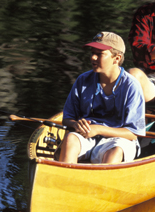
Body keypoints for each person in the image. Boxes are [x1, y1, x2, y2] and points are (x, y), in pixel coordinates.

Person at [59, 32, 146, 164]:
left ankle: (102, 182)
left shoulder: (131, 86)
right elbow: (67, 119)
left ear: (116, 58)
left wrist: (98, 129)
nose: (93, 58)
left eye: (99, 54)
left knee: (115, 152)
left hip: (118, 139)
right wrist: (76, 124)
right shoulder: (83, 80)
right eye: (92, 53)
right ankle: (63, 177)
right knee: (70, 139)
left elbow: (134, 133)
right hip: (86, 135)